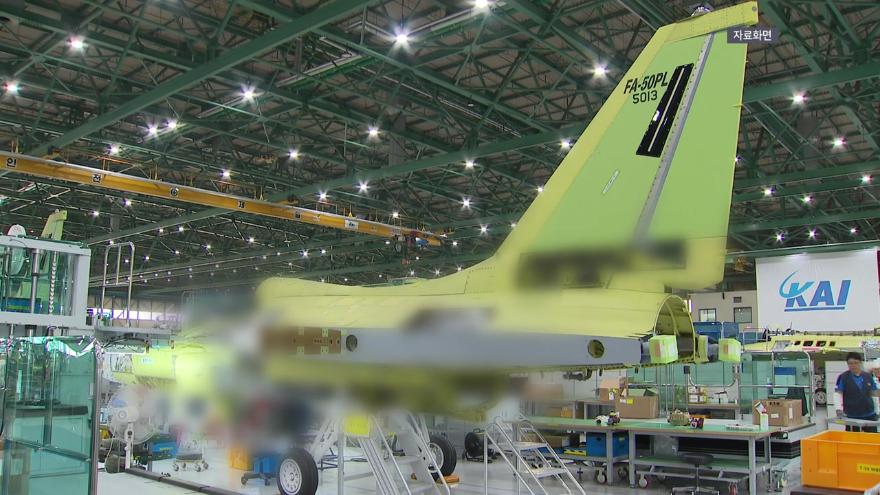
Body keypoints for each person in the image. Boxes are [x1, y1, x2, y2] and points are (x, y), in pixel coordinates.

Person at [835, 352, 879, 432]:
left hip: (869, 415)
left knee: (871, 438)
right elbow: (838, 394)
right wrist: (838, 409)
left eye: (856, 363)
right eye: (850, 363)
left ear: (860, 363)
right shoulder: (843, 377)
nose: (853, 365)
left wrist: (877, 410)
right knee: (853, 438)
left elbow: (874, 394)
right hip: (852, 416)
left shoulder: (868, 376)